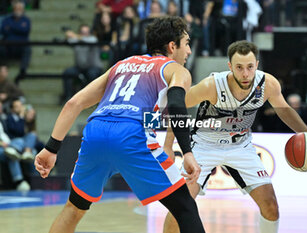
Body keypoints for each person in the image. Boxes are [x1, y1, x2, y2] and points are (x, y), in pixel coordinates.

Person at [34, 16, 205, 233]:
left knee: (75, 207)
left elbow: (73, 103)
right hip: (132, 135)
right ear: (172, 46)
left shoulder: (121, 65)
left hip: (95, 131)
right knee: (186, 208)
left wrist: (51, 148)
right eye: (187, 43)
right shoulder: (176, 70)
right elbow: (176, 105)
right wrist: (187, 152)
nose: (189, 51)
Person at [163, 40, 307, 233]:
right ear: (230, 67)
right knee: (181, 205)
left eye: (250, 67)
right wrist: (168, 145)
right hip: (204, 146)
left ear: (257, 65)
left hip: (241, 147)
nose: (245, 73)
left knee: (271, 207)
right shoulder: (212, 86)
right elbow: (177, 108)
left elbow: (284, 111)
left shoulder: (267, 84)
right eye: (239, 67)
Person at [61, 24, 103, 103]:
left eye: (86, 32)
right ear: (79, 32)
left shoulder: (92, 39)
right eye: (82, 32)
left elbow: (92, 41)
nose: (85, 34)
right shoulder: (76, 40)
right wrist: (67, 36)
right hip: (80, 68)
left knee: (92, 75)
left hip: (94, 67)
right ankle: (68, 97)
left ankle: (93, 100)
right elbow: (68, 41)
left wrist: (74, 35)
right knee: (67, 73)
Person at [0, 0, 31, 82]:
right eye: (16, 8)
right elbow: (4, 30)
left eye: (20, 8)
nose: (18, 10)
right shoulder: (7, 19)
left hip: (21, 45)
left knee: (28, 48)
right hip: (8, 45)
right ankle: (4, 68)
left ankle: (23, 70)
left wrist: (11, 28)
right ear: (13, 9)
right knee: (1, 47)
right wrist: (19, 28)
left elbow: (25, 30)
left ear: (23, 10)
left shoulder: (26, 20)